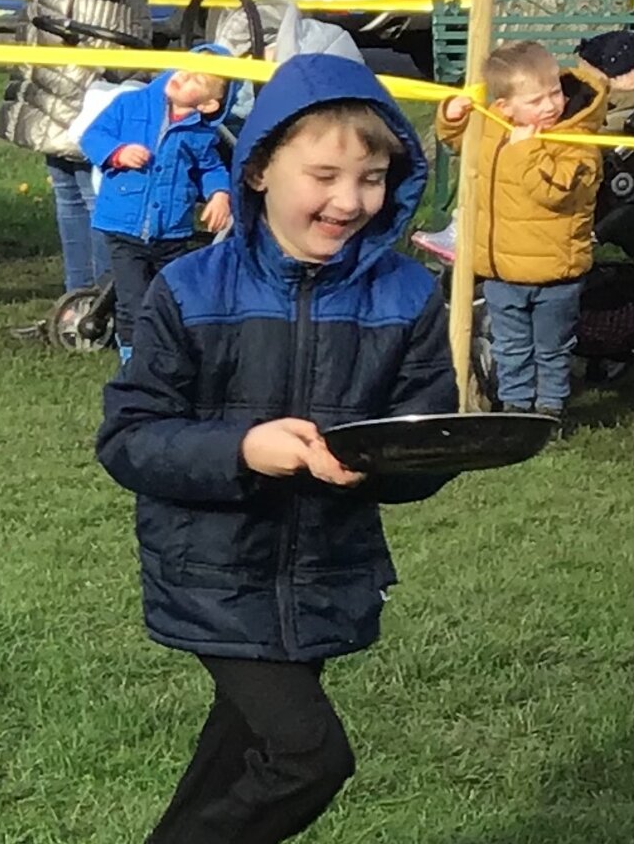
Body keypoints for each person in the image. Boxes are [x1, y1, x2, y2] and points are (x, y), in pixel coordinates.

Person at [96, 52, 459, 844]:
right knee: (307, 757)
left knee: (238, 754)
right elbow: (130, 438)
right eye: (323, 174)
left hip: (325, 570)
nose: (348, 199)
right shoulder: (190, 289)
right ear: (258, 170)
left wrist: (385, 460)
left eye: (371, 177)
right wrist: (244, 450)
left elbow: (426, 430)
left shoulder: (406, 295)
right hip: (213, 571)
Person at [435, 40, 607, 422]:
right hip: (502, 270)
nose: (550, 106)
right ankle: (515, 407)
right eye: (535, 100)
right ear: (504, 108)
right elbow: (458, 141)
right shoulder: (496, 129)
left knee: (551, 348)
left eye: (555, 93)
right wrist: (452, 114)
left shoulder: (578, 141)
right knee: (511, 345)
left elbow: (553, 194)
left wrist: (525, 152)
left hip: (553, 271)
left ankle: (550, 409)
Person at [0, 0, 152, 299]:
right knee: (65, 185)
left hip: (100, 58)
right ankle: (75, 301)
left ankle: (108, 301)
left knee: (95, 187)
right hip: (52, 49)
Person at [80, 50, 235, 363]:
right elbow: (93, 136)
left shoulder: (199, 133)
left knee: (170, 295)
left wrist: (220, 193)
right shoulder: (131, 104)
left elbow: (210, 168)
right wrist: (117, 152)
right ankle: (134, 360)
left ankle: (167, 352)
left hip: (171, 229)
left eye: (196, 79)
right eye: (183, 69)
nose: (182, 77)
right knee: (132, 300)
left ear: (208, 104)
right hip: (123, 226)